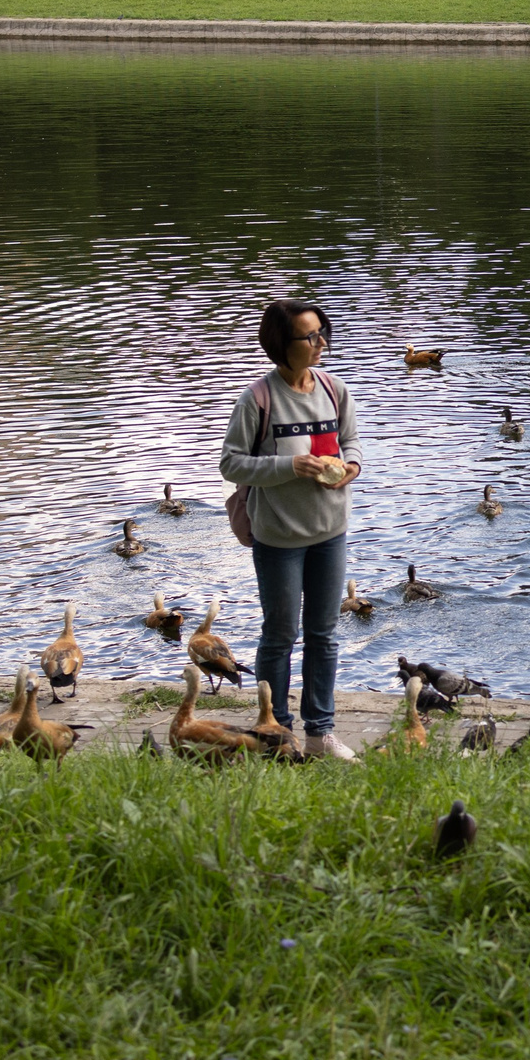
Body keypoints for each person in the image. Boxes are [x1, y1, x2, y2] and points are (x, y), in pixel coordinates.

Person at [219, 299, 365, 761]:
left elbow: (351, 443)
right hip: (279, 537)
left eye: (322, 332)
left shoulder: (334, 389)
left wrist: (351, 468)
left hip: (330, 532)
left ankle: (320, 732)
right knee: (279, 636)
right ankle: (276, 731)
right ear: (283, 344)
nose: (321, 342)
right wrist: (289, 465)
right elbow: (231, 462)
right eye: (310, 336)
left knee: (324, 635)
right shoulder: (258, 399)